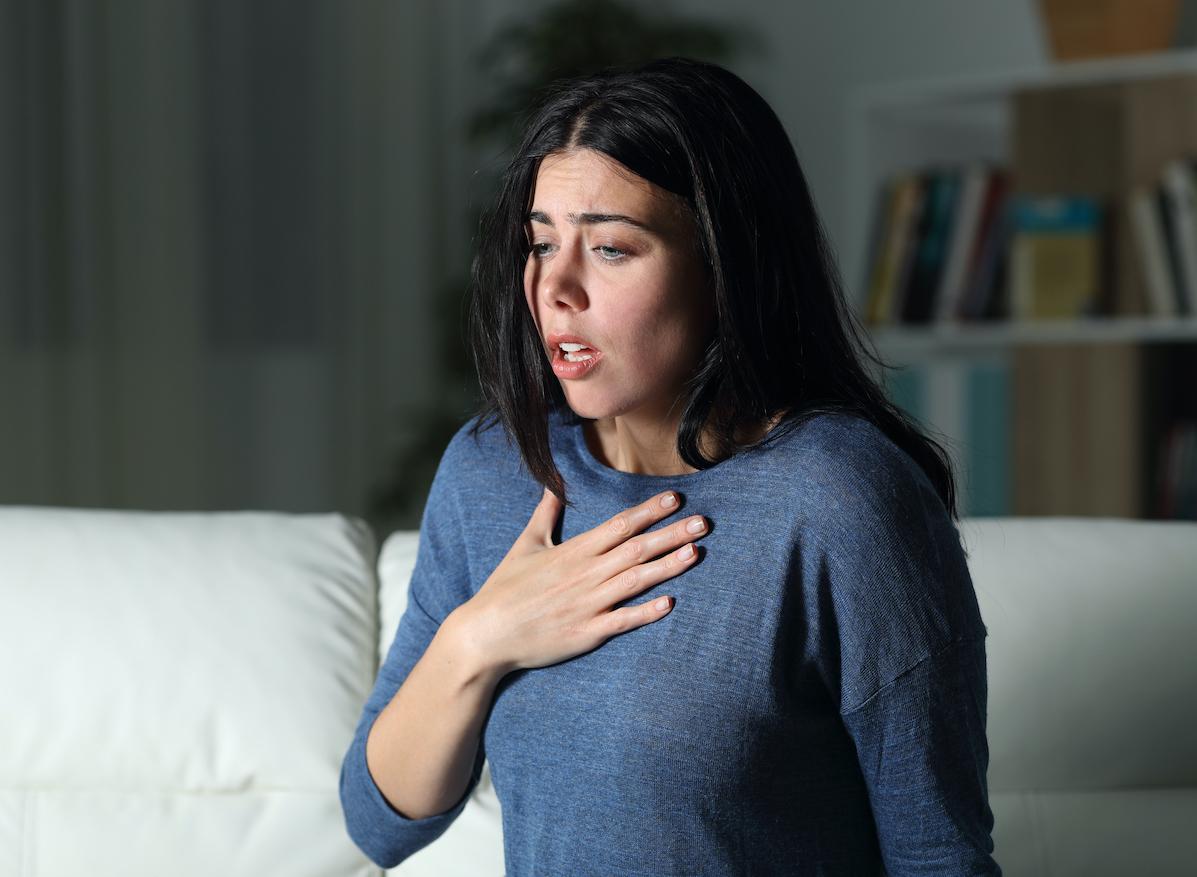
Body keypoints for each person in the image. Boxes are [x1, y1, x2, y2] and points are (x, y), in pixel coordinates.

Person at [339, 56, 1001, 875]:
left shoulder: (842, 500)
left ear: (725, 265)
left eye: (612, 248)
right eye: (541, 243)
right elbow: (379, 822)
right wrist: (482, 636)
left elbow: (940, 860)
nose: (556, 288)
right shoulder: (493, 471)